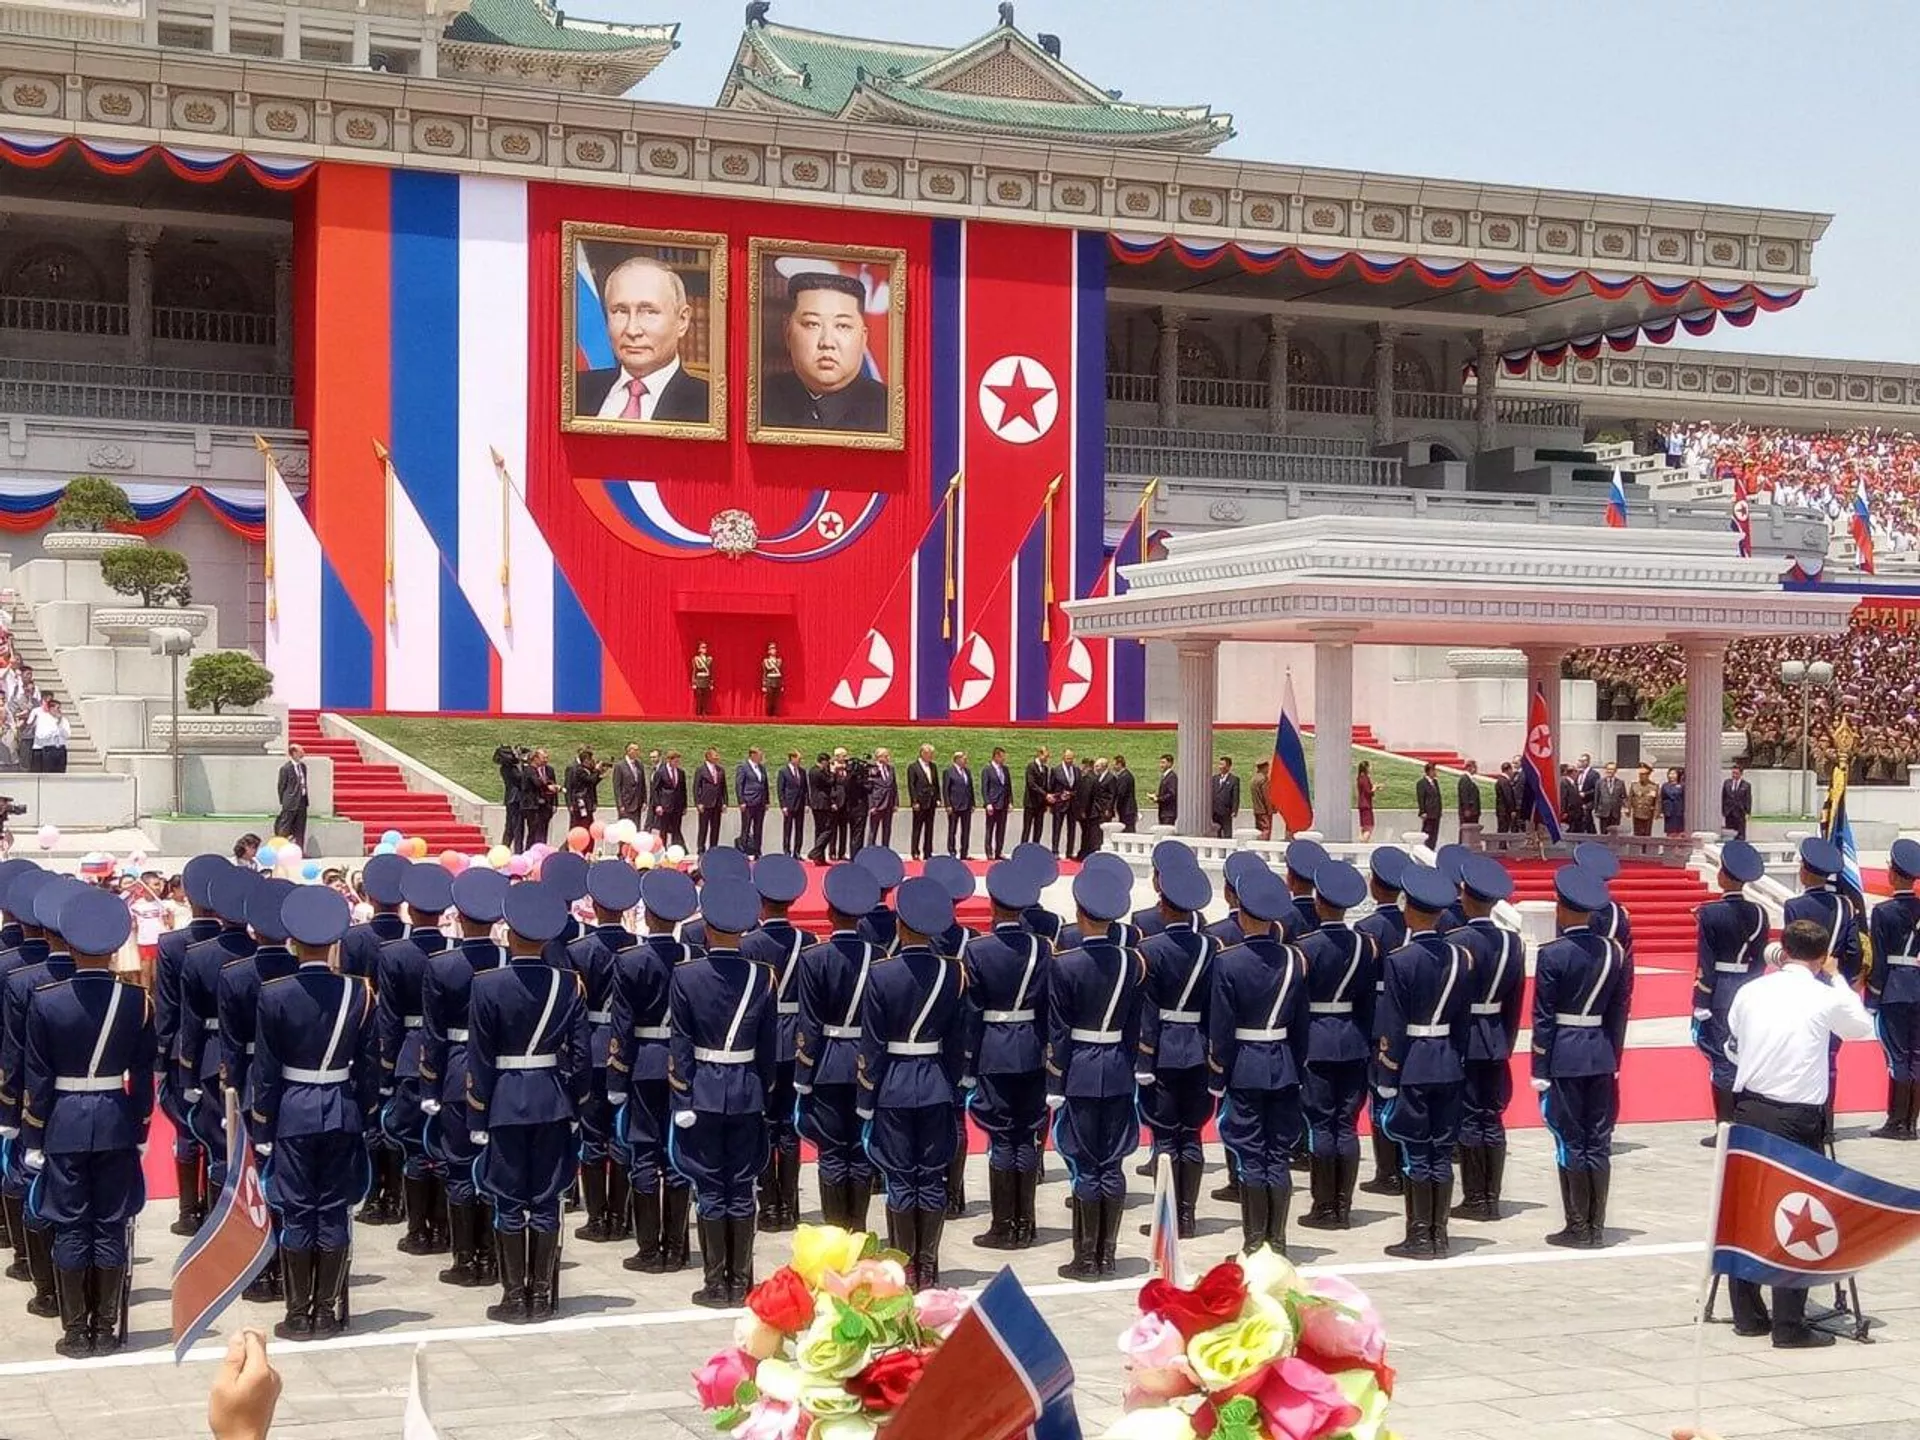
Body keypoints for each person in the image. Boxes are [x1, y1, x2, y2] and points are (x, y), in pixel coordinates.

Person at [1725, 918, 1876, 1348]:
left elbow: (1735, 1029)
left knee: (1748, 1210)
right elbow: (1861, 1027)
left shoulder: (1752, 989)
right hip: (1796, 1115)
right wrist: (1837, 978)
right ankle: (1789, 1323)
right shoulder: (1823, 995)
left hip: (1750, 1108)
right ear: (1819, 956)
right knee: (1797, 1214)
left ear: (1784, 949)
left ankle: (1747, 1314)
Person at [19, 885, 152, 1357]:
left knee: (73, 1226)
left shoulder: (47, 1001)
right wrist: (141, 1129)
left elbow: (38, 1076)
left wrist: (33, 1133)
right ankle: (107, 1324)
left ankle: (77, 1329)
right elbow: (141, 1075)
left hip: (64, 1125)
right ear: (115, 948)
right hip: (116, 1120)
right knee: (111, 1224)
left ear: (70, 946)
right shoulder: (136, 1001)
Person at [251, 885, 377, 1341]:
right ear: (334, 943)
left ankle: (299, 1311)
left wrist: (262, 1122)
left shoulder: (275, 994)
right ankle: (327, 1310)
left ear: (294, 942)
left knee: (300, 1212)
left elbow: (265, 1069)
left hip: (293, 1111)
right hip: (341, 1109)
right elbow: (366, 1065)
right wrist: (361, 1111)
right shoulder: (358, 993)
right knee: (334, 1211)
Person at [470, 881, 589, 1324]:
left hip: (503, 1099)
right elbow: (580, 1055)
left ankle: (514, 1296)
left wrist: (477, 1110)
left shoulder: (487, 986)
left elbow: (480, 1058)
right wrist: (574, 1102)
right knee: (544, 1198)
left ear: (510, 932)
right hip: (552, 1099)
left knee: (507, 1197)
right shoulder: (567, 985)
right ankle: (541, 1294)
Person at [669, 879, 778, 1307]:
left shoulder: (687, 975)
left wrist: (682, 1098)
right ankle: (742, 1280)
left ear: (707, 928)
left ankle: (717, 1282)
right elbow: (769, 1048)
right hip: (747, 1089)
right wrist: (763, 1090)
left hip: (704, 1092)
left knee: (712, 1188)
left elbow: (681, 1043)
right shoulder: (761, 977)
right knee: (742, 1184)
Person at [858, 877, 968, 1289]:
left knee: (901, 1179)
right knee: (931, 1177)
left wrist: (866, 1093)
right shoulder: (953, 973)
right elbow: (957, 1041)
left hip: (893, 1086)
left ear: (900, 924)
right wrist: (953, 1086)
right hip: (936, 1082)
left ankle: (905, 1269)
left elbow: (873, 1042)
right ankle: (930, 1266)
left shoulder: (882, 974)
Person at [1048, 867, 1147, 1279]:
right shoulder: (1133, 962)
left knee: (1087, 1165)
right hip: (1118, 1069)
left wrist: (1055, 1080)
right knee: (1114, 1164)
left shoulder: (1065, 965)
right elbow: (1135, 1024)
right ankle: (1107, 1254)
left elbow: (1059, 1030)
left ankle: (1086, 1257)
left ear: (1079, 912)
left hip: (1083, 1070)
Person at [1372, 861, 1470, 1261]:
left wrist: (1387, 1070)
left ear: (1410, 909)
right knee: (1441, 1150)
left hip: (1412, 1062)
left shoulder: (1401, 960)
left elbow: (1393, 1024)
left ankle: (1418, 1234)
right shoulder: (1461, 957)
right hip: (1448, 1060)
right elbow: (1462, 1019)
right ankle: (1439, 1233)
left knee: (1416, 1152)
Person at [1208, 867, 1307, 1256]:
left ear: (1242, 914)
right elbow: (1301, 1026)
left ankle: (1254, 1244)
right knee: (1277, 1154)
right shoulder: (1294, 959)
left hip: (1245, 1065)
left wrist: (1218, 1072)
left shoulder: (1229, 962)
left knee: (1251, 1154)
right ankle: (1277, 1242)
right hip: (1282, 1062)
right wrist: (1295, 1067)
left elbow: (1222, 1025)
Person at [418, 868, 508, 1290]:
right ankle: (490, 1254)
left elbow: (433, 1035)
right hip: (503, 1076)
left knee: (458, 1167)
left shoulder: (443, 966)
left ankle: (465, 1259)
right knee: (494, 1168)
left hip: (456, 1071)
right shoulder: (509, 960)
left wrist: (430, 1085)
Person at [1534, 864, 1631, 1250]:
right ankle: (1596, 1224)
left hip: (1565, 1053)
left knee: (1571, 1140)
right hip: (1601, 1052)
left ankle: (1578, 1225)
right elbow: (1619, 1011)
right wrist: (1614, 1055)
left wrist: (1539, 1066)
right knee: (1598, 1140)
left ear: (1561, 908)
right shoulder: (1614, 952)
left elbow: (1543, 1017)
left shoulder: (1553, 955)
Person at [606, 869, 698, 1275]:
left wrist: (615, 1075)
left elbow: (621, 1026)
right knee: (677, 1154)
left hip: (643, 1062)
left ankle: (649, 1249)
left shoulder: (631, 961)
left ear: (647, 915)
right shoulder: (694, 959)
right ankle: (676, 1247)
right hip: (684, 1064)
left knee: (645, 1152)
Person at [963, 858, 1050, 1251]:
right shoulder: (1042, 947)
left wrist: (968, 1060)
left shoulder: (978, 950)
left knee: (1002, 1139)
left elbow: (971, 1011)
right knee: (1027, 1134)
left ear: (994, 905)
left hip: (994, 1049)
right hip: (1031, 1047)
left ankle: (1003, 1225)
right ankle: (1025, 1223)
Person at [794, 864, 881, 1232]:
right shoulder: (880, 956)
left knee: (832, 1152)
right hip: (868, 1063)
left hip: (828, 1062)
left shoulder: (815, 958)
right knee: (860, 1150)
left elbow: (809, 1023)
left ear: (829, 913)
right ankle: (858, 1231)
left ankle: (835, 1235)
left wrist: (803, 1072)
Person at [1296, 860, 1378, 1234]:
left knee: (1321, 1125)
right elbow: (1367, 1001)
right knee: (1345, 1124)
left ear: (1318, 901)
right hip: (1353, 1040)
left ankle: (1324, 1205)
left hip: (1316, 1039)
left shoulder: (1305, 948)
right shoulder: (1367, 946)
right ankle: (1342, 1206)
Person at [1137, 858, 1217, 1237]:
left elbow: (1148, 1010)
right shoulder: (1212, 947)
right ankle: (1188, 1215)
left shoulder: (1151, 949)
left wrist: (1144, 1055)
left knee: (1165, 1135)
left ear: (1164, 904)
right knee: (1193, 1134)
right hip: (1199, 1049)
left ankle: (1167, 1218)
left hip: (1164, 1050)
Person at [377, 862, 453, 1257]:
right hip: (450, 1057)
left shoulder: (394, 955)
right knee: (441, 1144)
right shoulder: (454, 951)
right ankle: (441, 1227)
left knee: (412, 1146)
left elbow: (388, 1019)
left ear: (409, 908)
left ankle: (418, 1228)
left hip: (409, 1052)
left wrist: (386, 1068)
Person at [565, 863, 639, 1247]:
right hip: (632, 1049)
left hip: (593, 1047)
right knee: (623, 1134)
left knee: (593, 1137)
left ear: (593, 904)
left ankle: (599, 1218)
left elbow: (572, 1010)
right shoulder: (638, 948)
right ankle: (621, 1214)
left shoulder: (579, 950)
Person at [1449, 857, 1524, 1223]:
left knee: (1468, 1117)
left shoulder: (1457, 942)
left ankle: (1475, 1196)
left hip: (1464, 1037)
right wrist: (1505, 1041)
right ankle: (1490, 1196)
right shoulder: (1513, 943)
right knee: (1491, 1117)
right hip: (1494, 1034)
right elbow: (1515, 1002)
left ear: (1466, 896)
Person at [740, 854, 813, 1233]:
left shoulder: (750, 943)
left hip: (765, 1038)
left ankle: (769, 1205)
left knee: (767, 1125)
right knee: (790, 1125)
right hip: (799, 1035)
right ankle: (790, 1204)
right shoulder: (809, 940)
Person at [1691, 839, 1768, 1142]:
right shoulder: (1760, 913)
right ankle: (1744, 1122)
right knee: (1745, 1055)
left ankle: (1725, 1127)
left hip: (1720, 989)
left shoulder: (1710, 913)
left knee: (1722, 1059)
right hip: (1748, 986)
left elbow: (1706, 961)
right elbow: (1759, 958)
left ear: (1724, 876)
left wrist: (1702, 996)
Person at [575, 253, 710, 422]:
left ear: (682, 321)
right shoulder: (574, 391)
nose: (632, 330)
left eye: (649, 312)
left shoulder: (710, 406)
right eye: (620, 311)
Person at [760, 271, 889, 432]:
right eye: (812, 324)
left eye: (842, 326)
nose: (827, 342)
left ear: (863, 339)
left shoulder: (891, 411)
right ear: (788, 334)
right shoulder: (758, 400)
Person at [1868, 837, 1920, 1139]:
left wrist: (1873, 996)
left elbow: (1879, 959)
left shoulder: (1884, 912)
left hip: (1894, 989)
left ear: (1894, 874)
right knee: (1917, 1056)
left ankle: (1896, 1122)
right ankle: (1911, 1123)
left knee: (1898, 1057)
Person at [1784, 837, 1861, 984]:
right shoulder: (1844, 904)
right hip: (1832, 975)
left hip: (1802, 979)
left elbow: (1790, 948)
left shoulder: (1794, 906)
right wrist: (1842, 977)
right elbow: (1853, 950)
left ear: (1804, 872)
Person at [650, 750, 689, 851]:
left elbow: (683, 790)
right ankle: (662, 850)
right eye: (675, 761)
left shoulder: (681, 773)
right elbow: (655, 790)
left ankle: (675, 850)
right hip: (665, 806)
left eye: (678, 761)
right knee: (664, 830)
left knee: (676, 829)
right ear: (669, 760)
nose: (677, 763)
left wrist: (684, 805)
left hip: (677, 806)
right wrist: (658, 805)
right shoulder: (661, 772)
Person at [906, 744, 939, 861]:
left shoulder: (933, 766)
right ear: (923, 753)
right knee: (917, 827)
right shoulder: (913, 767)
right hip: (920, 801)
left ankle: (928, 851)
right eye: (930, 754)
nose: (931, 756)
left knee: (929, 828)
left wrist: (938, 798)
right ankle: (915, 851)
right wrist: (914, 801)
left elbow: (936, 784)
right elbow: (911, 785)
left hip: (931, 801)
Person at [735, 747, 769, 858]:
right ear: (753, 755)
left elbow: (765, 785)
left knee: (758, 828)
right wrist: (741, 801)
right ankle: (743, 851)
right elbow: (739, 785)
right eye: (759, 755)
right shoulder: (743, 767)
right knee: (746, 827)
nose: (761, 757)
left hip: (760, 803)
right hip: (748, 802)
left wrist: (767, 800)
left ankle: (757, 851)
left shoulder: (761, 768)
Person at [274, 745, 310, 850]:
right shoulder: (286, 768)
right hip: (290, 802)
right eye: (301, 750)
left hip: (302, 801)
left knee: (300, 828)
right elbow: (281, 786)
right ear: (294, 753)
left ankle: (299, 851)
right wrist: (285, 800)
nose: (303, 752)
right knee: (285, 827)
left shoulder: (303, 767)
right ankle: (280, 849)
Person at [804, 752, 838, 866]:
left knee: (819, 831)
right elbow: (830, 782)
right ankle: (815, 851)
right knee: (828, 829)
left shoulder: (812, 770)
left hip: (815, 803)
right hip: (822, 803)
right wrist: (833, 772)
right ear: (823, 761)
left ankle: (819, 857)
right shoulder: (819, 772)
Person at [693, 747, 728, 855]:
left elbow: (724, 788)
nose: (717, 757)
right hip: (705, 804)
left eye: (717, 755)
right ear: (708, 756)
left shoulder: (720, 770)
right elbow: (696, 787)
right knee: (703, 828)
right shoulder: (701, 770)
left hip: (717, 804)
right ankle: (701, 849)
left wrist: (725, 802)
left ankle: (713, 849)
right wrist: (698, 802)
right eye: (715, 755)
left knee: (715, 828)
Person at [521, 749, 558, 850]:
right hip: (532, 806)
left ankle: (541, 850)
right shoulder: (530, 770)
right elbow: (537, 783)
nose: (545, 760)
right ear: (535, 758)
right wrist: (549, 787)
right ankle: (530, 851)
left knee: (542, 831)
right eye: (543, 758)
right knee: (533, 831)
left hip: (543, 806)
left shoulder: (545, 770)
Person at [943, 751, 976, 859]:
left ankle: (964, 852)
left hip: (966, 805)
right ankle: (952, 851)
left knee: (966, 830)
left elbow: (970, 788)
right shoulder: (949, 772)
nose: (966, 761)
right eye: (964, 759)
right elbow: (946, 789)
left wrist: (972, 803)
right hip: (954, 806)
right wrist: (948, 804)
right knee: (952, 830)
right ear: (957, 759)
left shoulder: (967, 771)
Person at [981, 746, 1012, 860]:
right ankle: (989, 852)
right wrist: (987, 803)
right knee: (990, 828)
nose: (1004, 759)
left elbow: (1008, 787)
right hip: (993, 804)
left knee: (1001, 829)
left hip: (1003, 803)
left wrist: (1010, 801)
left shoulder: (1005, 769)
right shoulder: (987, 770)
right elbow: (985, 788)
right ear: (996, 756)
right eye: (1002, 756)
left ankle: (999, 851)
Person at [494, 745, 527, 853]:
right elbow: (520, 778)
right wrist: (524, 764)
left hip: (512, 799)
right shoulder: (508, 768)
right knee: (516, 827)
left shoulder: (507, 767)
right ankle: (516, 851)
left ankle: (505, 848)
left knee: (511, 827)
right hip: (515, 799)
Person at [565, 747, 605, 832]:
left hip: (587, 802)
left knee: (588, 825)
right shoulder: (576, 769)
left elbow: (591, 784)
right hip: (580, 803)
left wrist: (599, 775)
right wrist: (597, 771)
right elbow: (569, 786)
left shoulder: (586, 769)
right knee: (578, 826)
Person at [777, 750, 807, 858]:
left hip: (800, 804)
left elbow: (805, 789)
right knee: (787, 829)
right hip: (789, 804)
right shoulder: (783, 771)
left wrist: (806, 803)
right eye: (799, 759)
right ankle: (786, 851)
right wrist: (783, 805)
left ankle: (797, 851)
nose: (800, 761)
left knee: (799, 829)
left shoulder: (802, 772)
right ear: (792, 758)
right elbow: (780, 789)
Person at [1048, 750, 1079, 854]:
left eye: (1071, 758)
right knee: (1057, 828)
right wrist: (1054, 800)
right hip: (1059, 803)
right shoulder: (1056, 770)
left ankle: (1069, 851)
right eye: (1067, 758)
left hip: (1072, 804)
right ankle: (1055, 850)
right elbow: (1051, 788)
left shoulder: (1076, 770)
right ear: (1063, 758)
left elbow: (1079, 787)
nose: (1069, 761)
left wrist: (1072, 794)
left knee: (1072, 828)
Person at [866, 747, 898, 850]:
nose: (888, 758)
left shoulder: (891, 769)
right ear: (879, 757)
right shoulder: (872, 769)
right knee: (873, 830)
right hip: (877, 804)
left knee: (887, 829)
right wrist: (871, 805)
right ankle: (870, 850)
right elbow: (869, 790)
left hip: (889, 803)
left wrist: (896, 803)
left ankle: (885, 849)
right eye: (886, 756)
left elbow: (894, 786)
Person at [28, 695, 69, 773]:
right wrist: (55, 730)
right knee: (48, 773)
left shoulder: (64, 720)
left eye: (60, 708)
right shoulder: (43, 719)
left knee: (60, 773)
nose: (60, 710)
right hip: (49, 749)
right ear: (51, 708)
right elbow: (40, 735)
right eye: (58, 708)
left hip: (61, 749)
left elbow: (67, 735)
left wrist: (60, 724)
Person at [613, 743, 648, 828]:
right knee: (625, 829)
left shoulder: (639, 764)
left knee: (636, 828)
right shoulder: (620, 766)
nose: (637, 752)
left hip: (637, 804)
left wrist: (644, 800)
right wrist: (620, 804)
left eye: (638, 750)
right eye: (635, 750)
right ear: (628, 751)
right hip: (626, 804)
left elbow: (642, 784)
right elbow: (617, 787)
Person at [1592, 761, 1626, 835]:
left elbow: (1623, 797)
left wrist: (1624, 808)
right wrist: (1596, 810)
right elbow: (1597, 797)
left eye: (1612, 769)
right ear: (1606, 770)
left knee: (1614, 834)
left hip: (1615, 813)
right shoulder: (1599, 782)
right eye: (1609, 769)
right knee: (1603, 833)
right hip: (1603, 812)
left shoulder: (1620, 782)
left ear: (1615, 771)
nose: (1610, 771)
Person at [1626, 764, 1661, 837]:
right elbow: (1629, 798)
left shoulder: (1654, 786)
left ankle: (1645, 848)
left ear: (1648, 774)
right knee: (1637, 834)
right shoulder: (1634, 785)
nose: (1641, 776)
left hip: (1648, 813)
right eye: (1640, 774)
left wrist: (1657, 812)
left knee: (1647, 834)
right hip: (1637, 813)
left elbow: (1657, 800)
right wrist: (1628, 809)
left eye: (1644, 774)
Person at [1211, 756, 1240, 840]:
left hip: (1226, 811)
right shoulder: (1214, 779)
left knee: (1227, 833)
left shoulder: (1234, 780)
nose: (1220, 766)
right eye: (1219, 764)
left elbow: (1235, 796)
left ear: (1228, 766)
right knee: (1216, 833)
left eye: (1222, 764)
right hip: (1214, 811)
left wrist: (1234, 810)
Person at [1721, 763, 1752, 840]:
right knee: (1729, 834)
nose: (1734, 775)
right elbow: (1723, 797)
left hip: (1739, 813)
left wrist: (1748, 812)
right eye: (1733, 773)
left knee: (1740, 834)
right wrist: (1723, 811)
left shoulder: (1746, 785)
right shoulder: (1727, 783)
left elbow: (1748, 799)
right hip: (1729, 812)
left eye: (1736, 773)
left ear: (1741, 774)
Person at [1111, 754, 1139, 832]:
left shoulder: (1124, 777)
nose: (1113, 767)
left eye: (1114, 765)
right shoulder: (1125, 775)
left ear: (1119, 764)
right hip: (1127, 809)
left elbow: (1121, 793)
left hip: (1127, 809)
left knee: (1128, 831)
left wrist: (1114, 805)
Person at [1456, 760, 1483, 834]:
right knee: (1466, 832)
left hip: (1473, 811)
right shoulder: (1464, 780)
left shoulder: (1471, 779)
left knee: (1472, 832)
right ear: (1469, 767)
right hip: (1469, 811)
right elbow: (1464, 795)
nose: (1476, 769)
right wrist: (1466, 809)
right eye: (1475, 767)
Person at [1493, 761, 1518, 834]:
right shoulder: (1504, 781)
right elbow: (1508, 796)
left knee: (1502, 829)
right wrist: (1512, 810)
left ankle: (1502, 845)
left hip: (1502, 810)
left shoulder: (1500, 780)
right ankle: (1502, 845)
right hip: (1504, 811)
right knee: (1503, 830)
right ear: (1509, 770)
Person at [1661, 767, 1687, 836]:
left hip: (1679, 810)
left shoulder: (1682, 785)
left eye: (1673, 774)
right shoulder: (1665, 786)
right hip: (1669, 811)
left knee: (1679, 830)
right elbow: (1662, 798)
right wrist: (1661, 811)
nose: (1671, 775)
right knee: (1670, 831)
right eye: (1670, 773)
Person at [1354, 760, 1376, 841]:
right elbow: (1368, 792)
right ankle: (1364, 841)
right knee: (1369, 826)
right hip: (1366, 805)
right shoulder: (1365, 779)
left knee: (1363, 826)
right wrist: (1374, 788)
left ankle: (1361, 840)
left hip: (1362, 804)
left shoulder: (1360, 778)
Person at [1251, 761, 1273, 840]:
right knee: (1266, 830)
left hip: (1257, 809)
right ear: (1264, 768)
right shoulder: (1263, 779)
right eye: (1267, 767)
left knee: (1259, 831)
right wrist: (1270, 810)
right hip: (1264, 811)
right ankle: (1264, 849)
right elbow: (1266, 796)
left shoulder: (1254, 779)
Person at [690, 641, 714, 717]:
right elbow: (694, 670)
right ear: (699, 649)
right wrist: (694, 682)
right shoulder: (696, 658)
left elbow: (711, 671)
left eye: (705, 647)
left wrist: (711, 683)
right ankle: (699, 713)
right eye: (703, 647)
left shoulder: (709, 659)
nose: (705, 649)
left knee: (705, 698)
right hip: (699, 679)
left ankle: (705, 712)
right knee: (699, 698)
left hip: (706, 679)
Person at [1155, 753, 1178, 828]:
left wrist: (1159, 799)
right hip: (1164, 812)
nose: (1161, 765)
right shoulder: (1166, 776)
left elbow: (1171, 794)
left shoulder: (1171, 777)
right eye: (1160, 762)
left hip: (1168, 813)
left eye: (1163, 762)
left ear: (1170, 763)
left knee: (1166, 832)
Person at [761, 642, 783, 717]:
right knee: (769, 699)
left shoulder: (779, 660)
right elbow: (765, 672)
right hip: (770, 680)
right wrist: (764, 685)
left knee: (776, 699)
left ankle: (774, 715)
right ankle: (769, 715)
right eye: (772, 648)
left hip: (777, 680)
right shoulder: (766, 661)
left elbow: (781, 672)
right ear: (769, 651)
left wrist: (782, 684)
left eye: (775, 648)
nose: (774, 650)